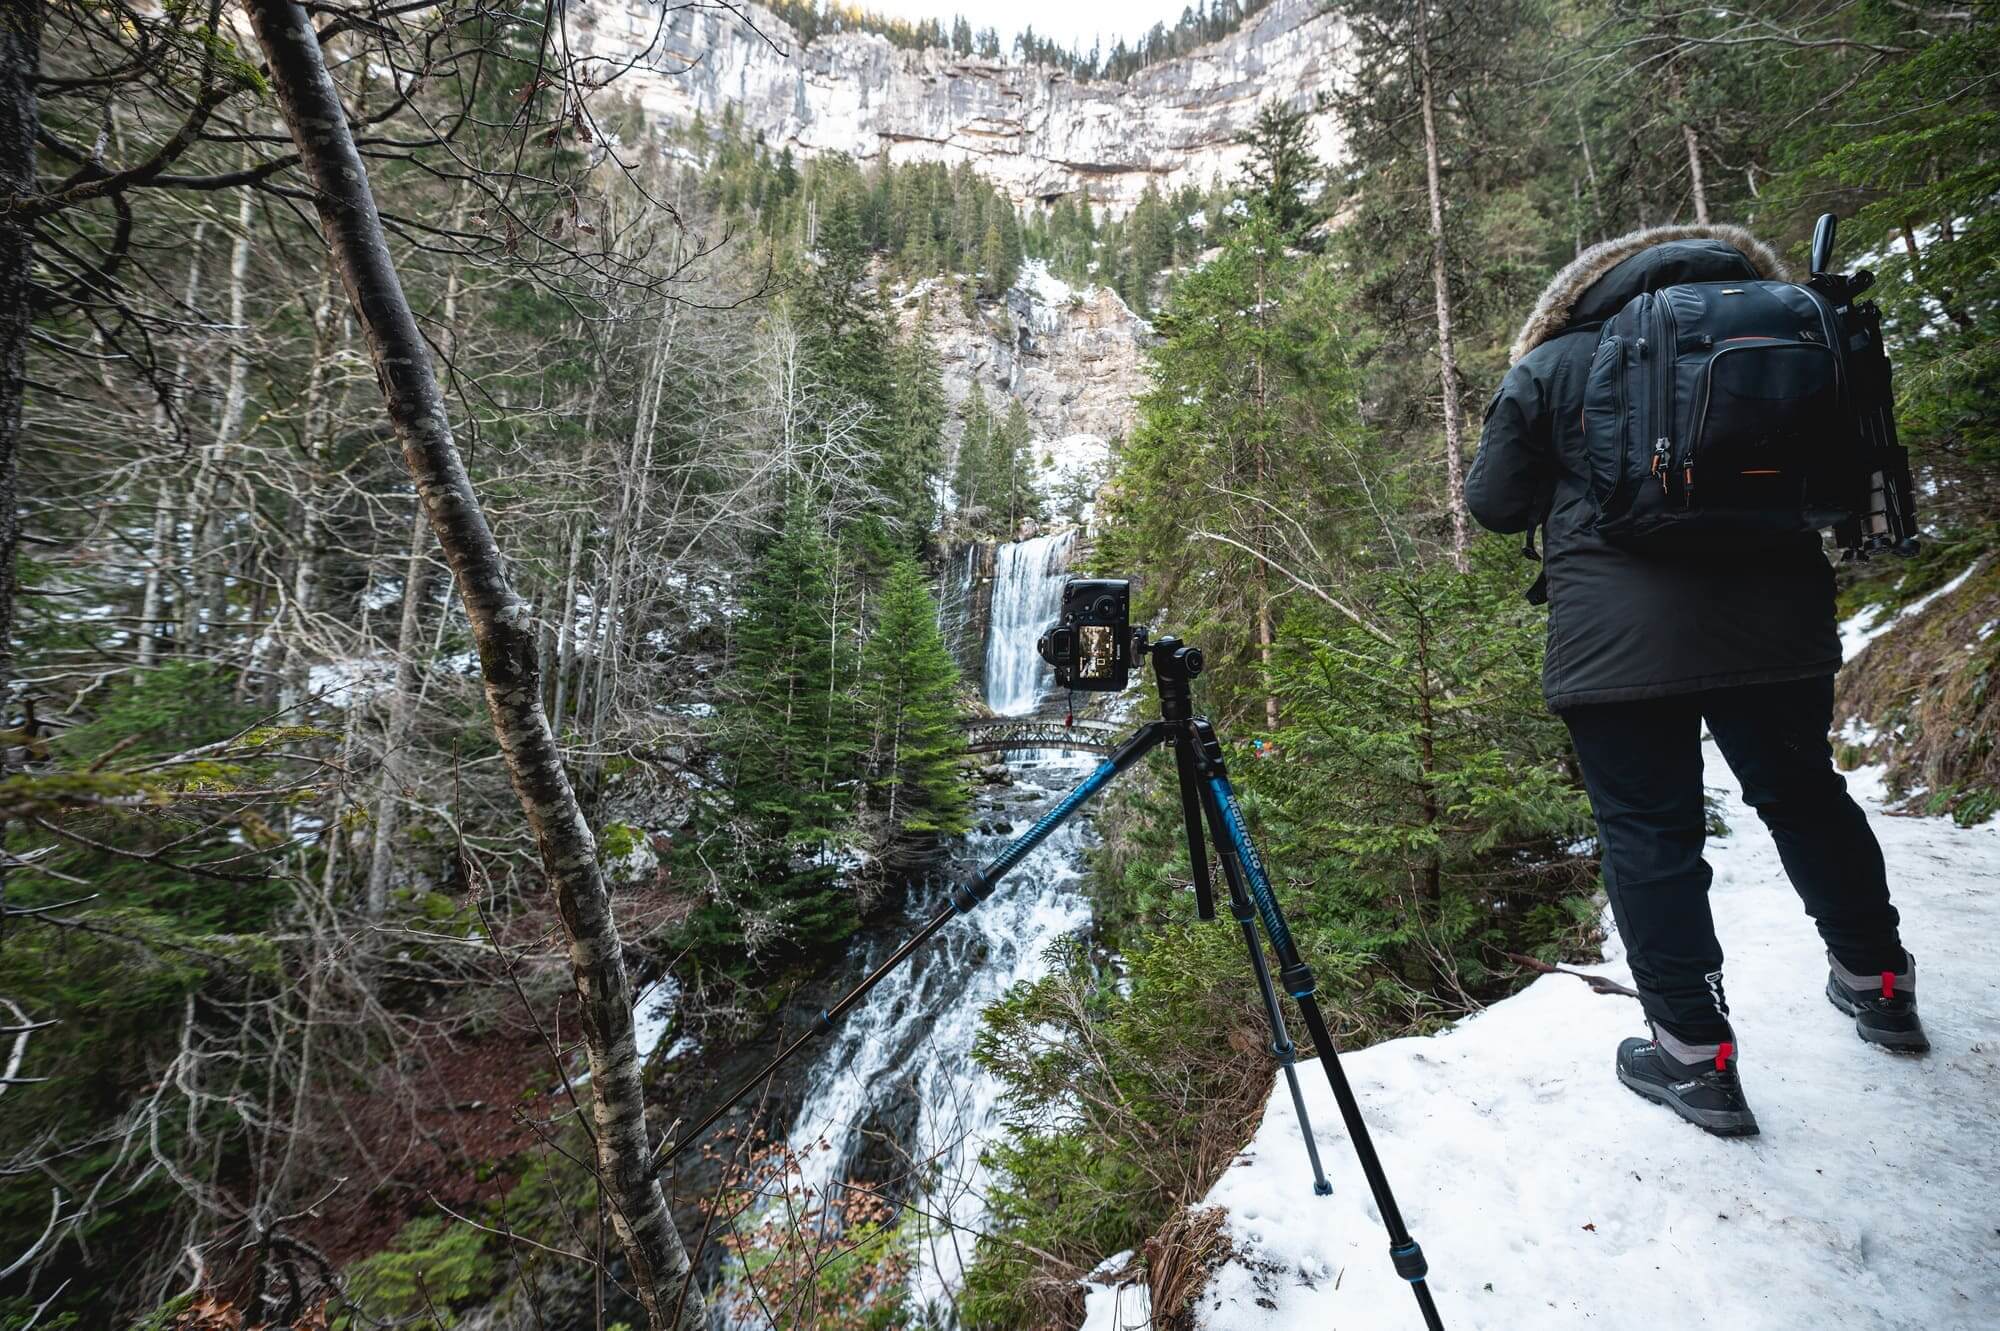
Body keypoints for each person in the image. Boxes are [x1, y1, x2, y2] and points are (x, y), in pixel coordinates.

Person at [1465, 223, 1928, 1139]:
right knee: (1804, 795)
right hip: (1779, 626)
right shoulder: (1796, 333)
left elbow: (1493, 503)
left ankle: (1694, 1054)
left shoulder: (1556, 360)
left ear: (1585, 287)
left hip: (1618, 643)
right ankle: (1880, 985)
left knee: (1649, 830)